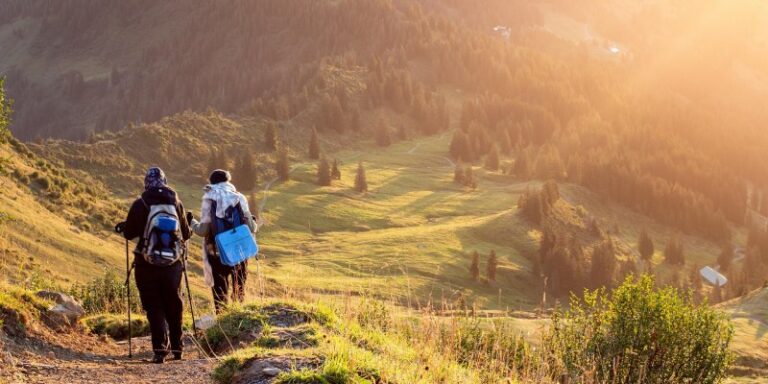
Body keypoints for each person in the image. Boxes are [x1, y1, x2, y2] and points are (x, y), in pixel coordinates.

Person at [121, 167, 191, 364]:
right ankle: (178, 349)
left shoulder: (140, 203)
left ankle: (160, 351)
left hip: (146, 264)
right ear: (164, 181)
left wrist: (124, 227)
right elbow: (185, 234)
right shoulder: (176, 202)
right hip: (173, 265)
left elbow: (129, 233)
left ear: (147, 183)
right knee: (174, 304)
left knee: (154, 306)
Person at [189, 169, 260, 313]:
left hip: (216, 253)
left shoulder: (209, 199)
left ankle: (222, 320)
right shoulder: (239, 197)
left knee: (220, 291)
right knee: (239, 289)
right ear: (228, 181)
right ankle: (239, 317)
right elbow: (252, 228)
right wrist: (252, 220)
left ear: (212, 183)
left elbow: (203, 231)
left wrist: (191, 222)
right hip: (240, 252)